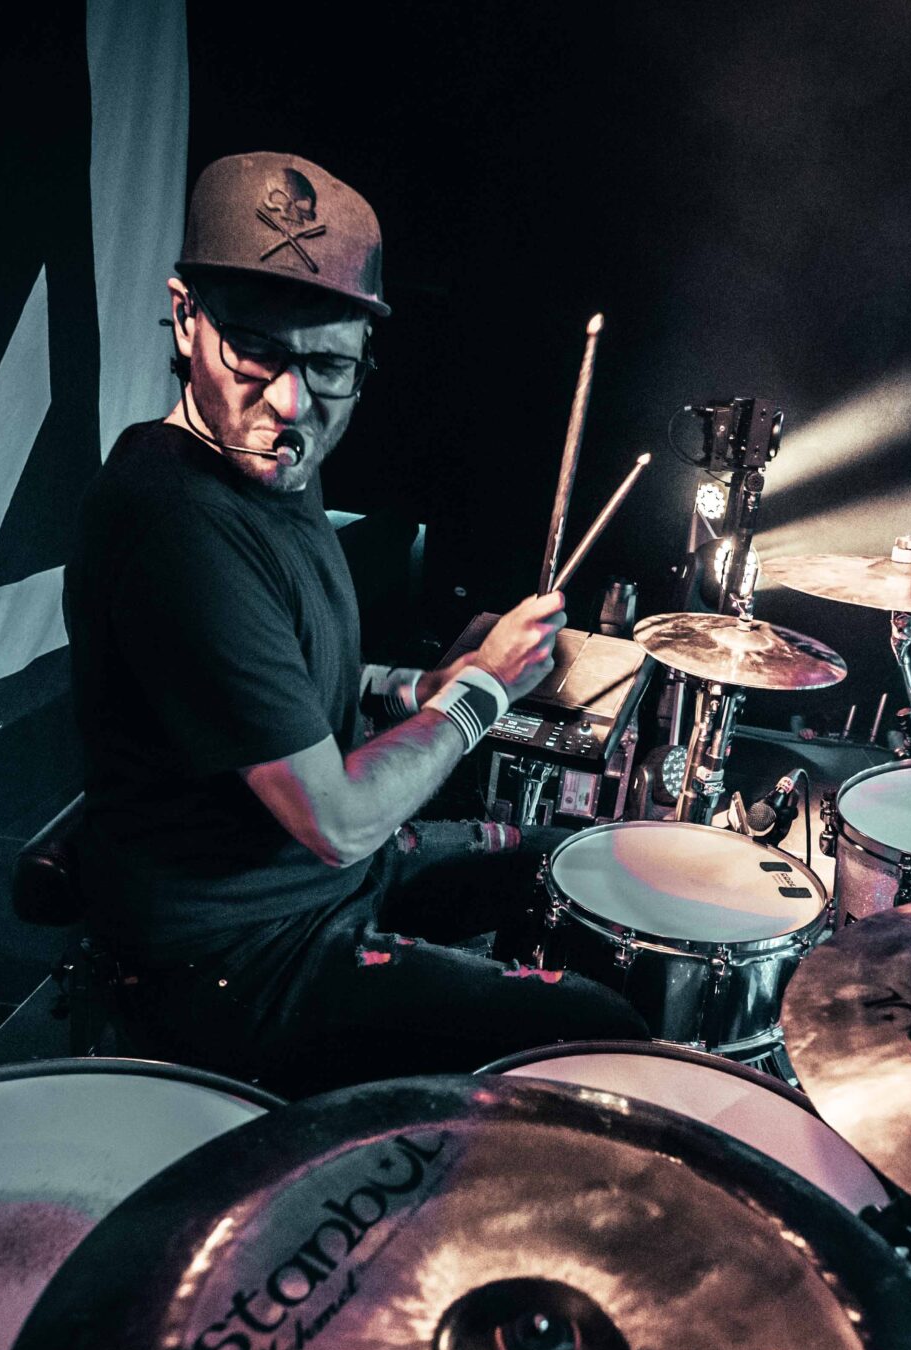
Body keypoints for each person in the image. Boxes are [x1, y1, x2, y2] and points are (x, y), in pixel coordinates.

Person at [63, 152, 646, 1093]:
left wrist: (415, 688)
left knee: (590, 866)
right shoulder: (172, 523)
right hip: (234, 957)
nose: (289, 401)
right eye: (254, 350)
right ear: (185, 316)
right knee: (595, 1031)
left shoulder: (271, 456)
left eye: (328, 364)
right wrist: (483, 692)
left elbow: (293, 682)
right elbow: (335, 821)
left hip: (322, 888)